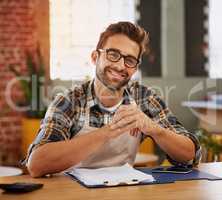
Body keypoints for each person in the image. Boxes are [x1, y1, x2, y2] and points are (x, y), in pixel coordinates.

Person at [25, 21, 201, 177]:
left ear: (135, 68)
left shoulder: (145, 99)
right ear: (95, 57)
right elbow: (37, 164)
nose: (120, 65)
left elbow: (189, 155)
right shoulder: (69, 101)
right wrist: (109, 131)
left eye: (130, 60)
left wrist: (154, 129)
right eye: (113, 54)